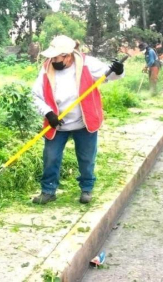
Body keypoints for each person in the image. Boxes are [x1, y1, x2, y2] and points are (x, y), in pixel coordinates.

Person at [31, 35, 125, 205]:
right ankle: (48, 191)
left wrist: (118, 70)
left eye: (57, 57)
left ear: (67, 56)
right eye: (51, 57)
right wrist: (48, 113)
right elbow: (35, 96)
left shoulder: (88, 64)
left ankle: (86, 189)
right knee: (51, 157)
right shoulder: (46, 68)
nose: (53, 60)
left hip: (84, 121)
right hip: (57, 124)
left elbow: (110, 76)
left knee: (87, 158)